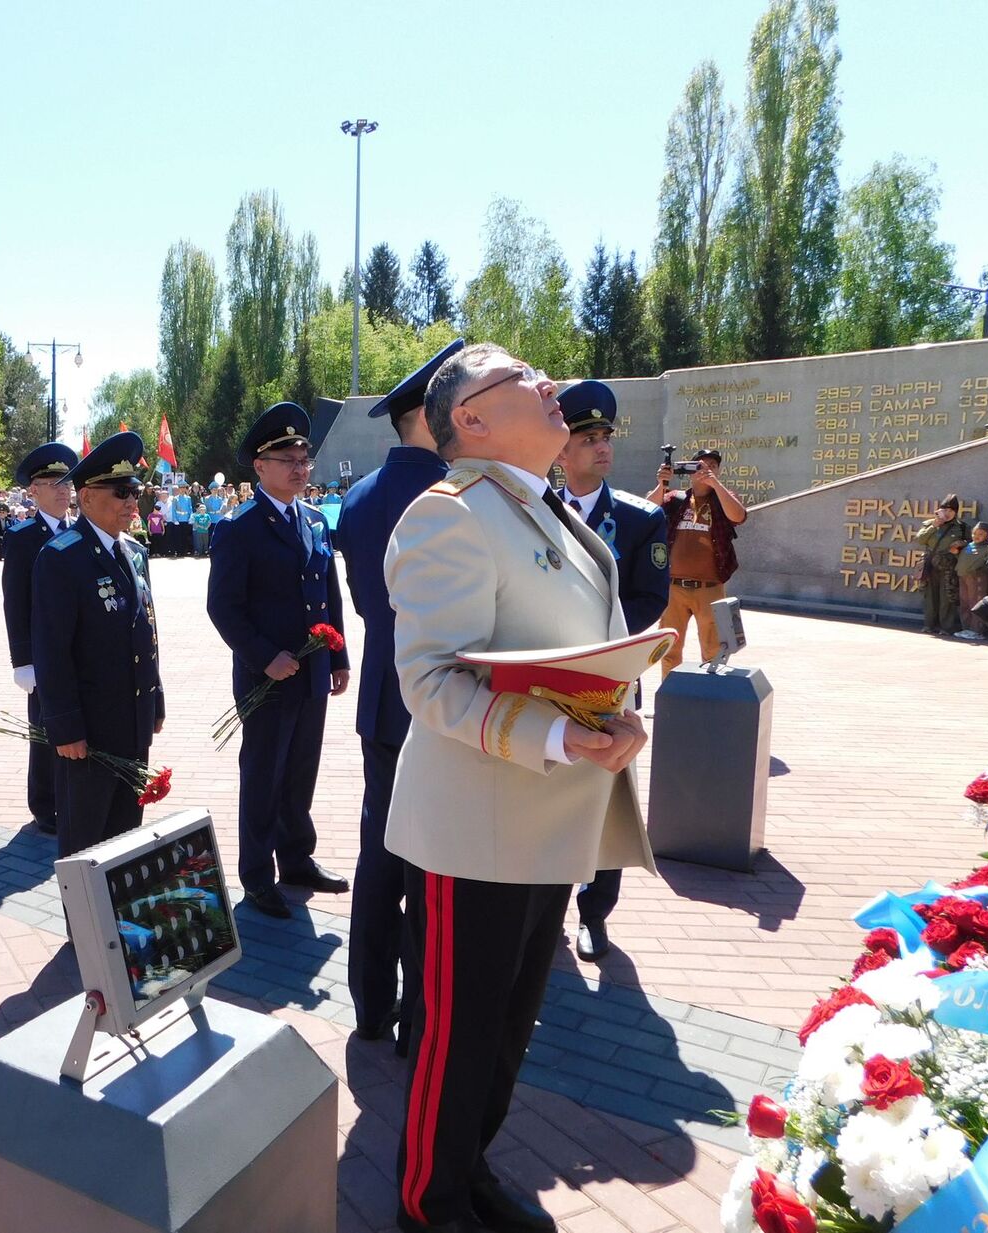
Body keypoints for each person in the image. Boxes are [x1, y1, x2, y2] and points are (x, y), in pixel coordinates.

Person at [383, 345, 656, 1233]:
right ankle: (428, 1201)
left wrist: (620, 714)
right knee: (457, 1038)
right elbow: (427, 683)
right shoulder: (449, 515)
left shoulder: (545, 511)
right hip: (478, 827)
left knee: (507, 1033)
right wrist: (558, 734)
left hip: (548, 820)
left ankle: (468, 1169)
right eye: (524, 378)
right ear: (469, 419)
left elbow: (591, 645)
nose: (550, 386)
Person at [337, 340, 455, 1048]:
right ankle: (419, 1018)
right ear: (430, 416)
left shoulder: (356, 497)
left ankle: (370, 1003)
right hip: (441, 704)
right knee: (430, 862)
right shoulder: (455, 494)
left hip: (384, 697)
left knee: (379, 851)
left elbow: (362, 601)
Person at [207, 402, 352, 919]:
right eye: (286, 456)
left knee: (300, 774)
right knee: (264, 776)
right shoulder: (239, 527)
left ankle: (296, 860)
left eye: (303, 456)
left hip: (311, 672)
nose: (299, 465)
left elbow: (327, 593)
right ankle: (256, 875)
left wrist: (338, 655)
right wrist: (265, 657)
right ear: (260, 466)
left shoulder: (313, 520)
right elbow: (223, 606)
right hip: (265, 679)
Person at [554, 380, 670, 962]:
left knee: (605, 795)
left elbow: (650, 600)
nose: (601, 448)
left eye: (606, 437)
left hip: (609, 679)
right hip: (545, 681)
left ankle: (594, 915)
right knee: (546, 790)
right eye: (586, 437)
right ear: (561, 449)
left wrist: (591, 640)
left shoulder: (640, 518)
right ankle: (542, 902)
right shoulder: (535, 513)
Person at [30, 432, 165, 856]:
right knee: (86, 846)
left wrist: (154, 698)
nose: (132, 502)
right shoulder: (61, 557)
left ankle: (120, 923)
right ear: (86, 498)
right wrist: (65, 726)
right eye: (121, 492)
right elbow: (52, 652)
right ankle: (84, 925)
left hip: (132, 721)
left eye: (136, 492)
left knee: (126, 839)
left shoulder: (134, 552)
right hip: (88, 733)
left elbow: (146, 631)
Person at [1, 441, 79, 837]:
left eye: (67, 482)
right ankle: (45, 805)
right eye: (53, 482)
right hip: (41, 656)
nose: (64, 489)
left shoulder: (79, 533)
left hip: (75, 653)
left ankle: (70, 797)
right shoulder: (22, 537)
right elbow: (15, 601)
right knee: (45, 731)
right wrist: (22, 661)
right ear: (33, 490)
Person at [649, 447, 746, 675]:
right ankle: (671, 702)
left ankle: (710, 703)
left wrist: (715, 485)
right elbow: (648, 511)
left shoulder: (724, 498)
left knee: (714, 651)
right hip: (674, 588)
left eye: (712, 466)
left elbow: (738, 516)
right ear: (690, 471)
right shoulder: (675, 499)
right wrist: (661, 484)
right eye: (700, 466)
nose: (706, 470)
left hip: (710, 588)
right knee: (669, 649)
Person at [916, 494, 969, 635]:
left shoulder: (962, 527)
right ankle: (929, 625)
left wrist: (961, 544)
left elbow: (971, 543)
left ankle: (946, 628)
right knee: (929, 596)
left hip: (949, 565)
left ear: (955, 513)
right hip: (930, 564)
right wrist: (934, 526)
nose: (947, 514)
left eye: (951, 511)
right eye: (945, 510)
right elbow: (920, 540)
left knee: (947, 597)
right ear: (939, 510)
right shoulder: (930, 524)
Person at [955, 521, 988, 640]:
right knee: (965, 603)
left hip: (977, 578)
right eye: (975, 533)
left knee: (976, 603)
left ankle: (977, 630)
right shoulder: (969, 545)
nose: (977, 536)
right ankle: (966, 627)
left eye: (981, 534)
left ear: (987, 535)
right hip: (963, 576)